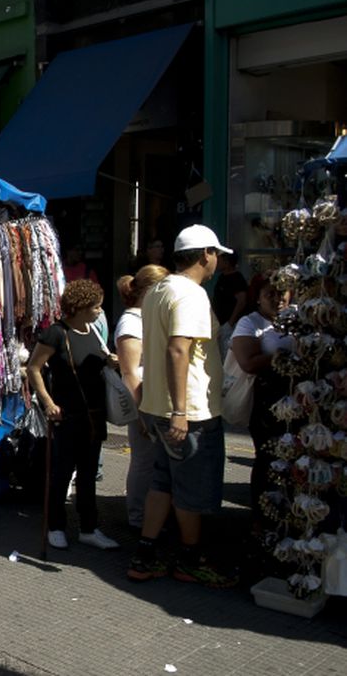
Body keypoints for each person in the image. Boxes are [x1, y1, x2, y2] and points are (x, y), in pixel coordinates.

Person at [127, 225, 236, 587]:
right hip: (188, 412)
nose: (218, 260)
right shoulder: (190, 294)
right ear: (205, 254)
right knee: (190, 490)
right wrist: (180, 411)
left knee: (164, 481)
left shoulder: (159, 289)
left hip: (161, 406)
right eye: (216, 254)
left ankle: (145, 553)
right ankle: (190, 559)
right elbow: (178, 349)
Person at [25, 279, 119, 551]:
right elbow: (33, 368)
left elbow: (98, 363)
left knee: (89, 475)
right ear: (79, 307)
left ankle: (89, 528)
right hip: (66, 416)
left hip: (94, 415)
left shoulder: (94, 331)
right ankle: (56, 526)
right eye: (96, 306)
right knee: (62, 473)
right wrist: (47, 402)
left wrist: (110, 360)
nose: (100, 311)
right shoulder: (56, 333)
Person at [230, 279, 293, 531]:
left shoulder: (297, 318)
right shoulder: (250, 323)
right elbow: (248, 362)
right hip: (267, 400)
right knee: (267, 457)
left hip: (299, 398)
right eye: (271, 294)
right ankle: (262, 517)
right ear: (258, 297)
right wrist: (282, 358)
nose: (278, 299)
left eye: (283, 294)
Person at [114, 264, 171, 528]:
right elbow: (130, 372)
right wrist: (142, 411)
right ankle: (137, 516)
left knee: (154, 461)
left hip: (156, 401)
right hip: (144, 403)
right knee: (144, 461)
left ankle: (148, 513)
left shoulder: (149, 318)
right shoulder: (131, 323)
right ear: (150, 291)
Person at [213, 251, 249, 359]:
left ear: (227, 262)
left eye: (220, 260)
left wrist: (230, 322)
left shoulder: (236, 278)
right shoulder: (221, 278)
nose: (217, 262)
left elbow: (242, 300)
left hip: (231, 326)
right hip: (220, 324)